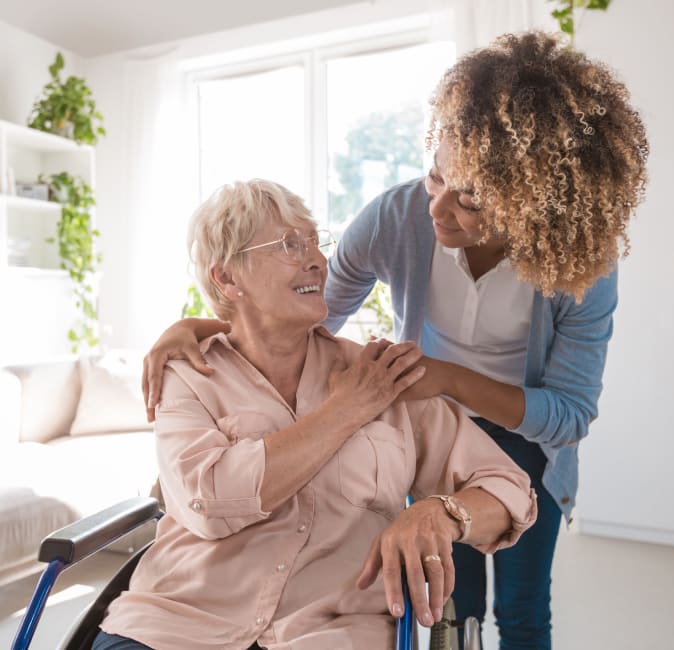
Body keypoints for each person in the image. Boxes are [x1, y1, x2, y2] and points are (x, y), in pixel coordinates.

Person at [142, 31, 648, 650]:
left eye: (470, 203)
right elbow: (307, 318)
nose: (437, 210)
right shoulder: (397, 216)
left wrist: (446, 378)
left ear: (533, 211)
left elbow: (569, 414)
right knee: (447, 605)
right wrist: (213, 324)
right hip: (420, 422)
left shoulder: (579, 267)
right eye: (435, 176)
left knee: (521, 609)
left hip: (523, 438)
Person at [95, 179, 536, 650]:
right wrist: (346, 410)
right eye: (289, 244)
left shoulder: (383, 375)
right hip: (176, 625)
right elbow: (212, 502)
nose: (317, 260)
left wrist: (442, 513)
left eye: (315, 241)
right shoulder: (187, 374)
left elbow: (511, 492)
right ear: (227, 278)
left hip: (329, 634)